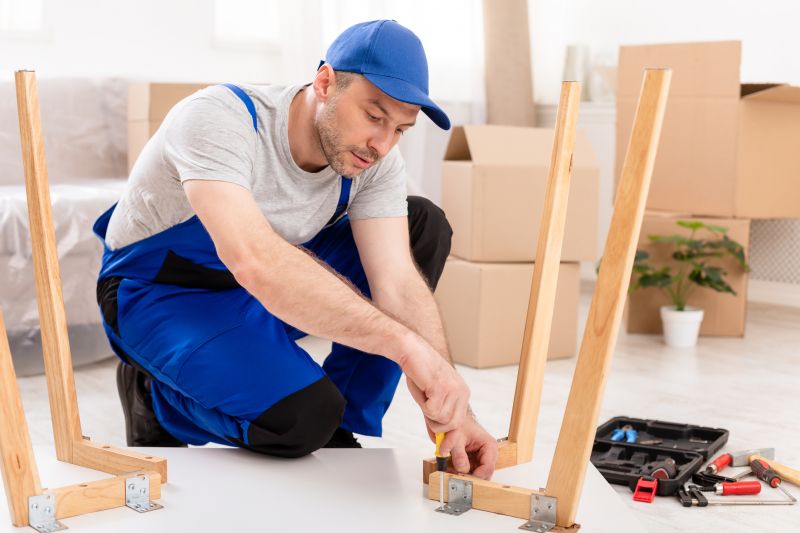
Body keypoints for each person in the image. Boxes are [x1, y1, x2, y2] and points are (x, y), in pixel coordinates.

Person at [94, 19, 498, 479]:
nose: (382, 145)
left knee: (422, 224)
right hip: (161, 293)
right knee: (300, 421)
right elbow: (255, 260)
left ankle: (341, 427)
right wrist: (406, 348)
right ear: (325, 83)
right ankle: (155, 396)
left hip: (265, 286)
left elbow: (398, 281)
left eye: (400, 130)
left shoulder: (373, 160)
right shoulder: (219, 119)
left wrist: (454, 406)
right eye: (374, 116)